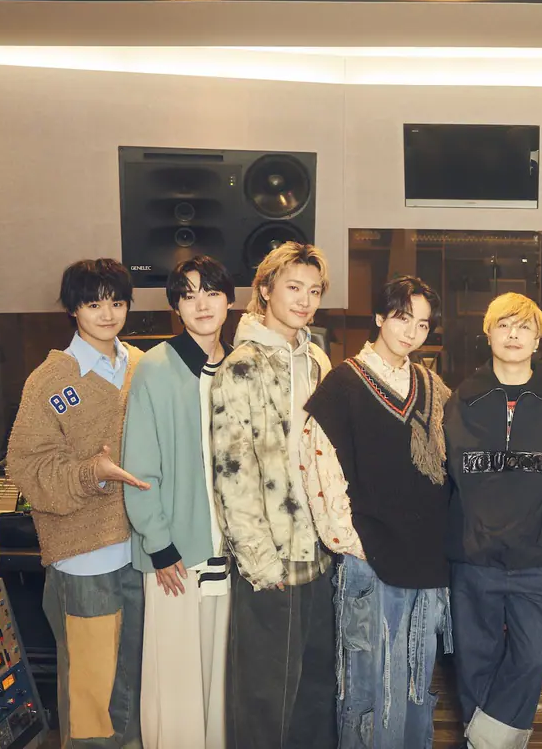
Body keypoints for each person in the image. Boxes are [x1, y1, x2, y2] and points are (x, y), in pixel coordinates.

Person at [302, 276, 452, 749]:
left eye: (422, 324)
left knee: (415, 680)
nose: (412, 332)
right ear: (380, 318)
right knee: (367, 685)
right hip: (369, 555)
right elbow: (319, 468)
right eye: (403, 318)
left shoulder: (431, 385)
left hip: (426, 559)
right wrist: (355, 543)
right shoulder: (343, 383)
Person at [6, 258, 149, 748]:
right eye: (93, 304)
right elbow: (28, 468)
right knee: (93, 704)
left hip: (142, 551)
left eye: (117, 302)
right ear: (73, 309)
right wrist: (93, 473)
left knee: (135, 689)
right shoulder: (49, 380)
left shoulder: (142, 366)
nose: (107, 314)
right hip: (85, 560)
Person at [444, 293, 542, 749]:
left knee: (530, 660)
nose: (512, 335)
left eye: (523, 327)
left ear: (538, 339)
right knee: (474, 663)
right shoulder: (460, 399)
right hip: (473, 555)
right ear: (487, 333)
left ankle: (480, 743)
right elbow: (449, 475)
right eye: (503, 325)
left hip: (538, 557)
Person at [210, 243, 336, 749]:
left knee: (315, 697)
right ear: (265, 290)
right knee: (265, 704)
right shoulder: (241, 365)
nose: (305, 300)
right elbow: (232, 472)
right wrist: (260, 562)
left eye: (314, 291)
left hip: (319, 555)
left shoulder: (318, 360)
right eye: (293, 287)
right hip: (272, 560)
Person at [122, 256, 235, 749]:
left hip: (230, 551)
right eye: (188, 295)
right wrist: (160, 545)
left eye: (211, 292)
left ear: (229, 300)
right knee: (175, 682)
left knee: (220, 678)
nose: (201, 304)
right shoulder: (155, 368)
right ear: (176, 307)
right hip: (175, 553)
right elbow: (139, 469)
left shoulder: (239, 366)